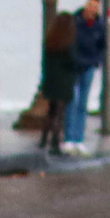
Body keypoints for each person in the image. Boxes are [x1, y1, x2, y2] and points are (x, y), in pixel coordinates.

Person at [65, 0, 105, 155]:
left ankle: (78, 139)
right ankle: (69, 138)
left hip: (89, 66)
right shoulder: (75, 22)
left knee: (83, 103)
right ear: (86, 6)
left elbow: (103, 45)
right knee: (72, 101)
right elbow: (69, 42)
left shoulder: (99, 26)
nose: (92, 10)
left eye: (95, 7)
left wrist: (96, 60)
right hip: (75, 66)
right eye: (90, 6)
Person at [37, 10, 78, 156]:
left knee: (51, 111)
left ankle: (43, 139)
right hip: (64, 81)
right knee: (60, 114)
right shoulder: (68, 44)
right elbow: (72, 62)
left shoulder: (50, 41)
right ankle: (55, 142)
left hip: (51, 80)